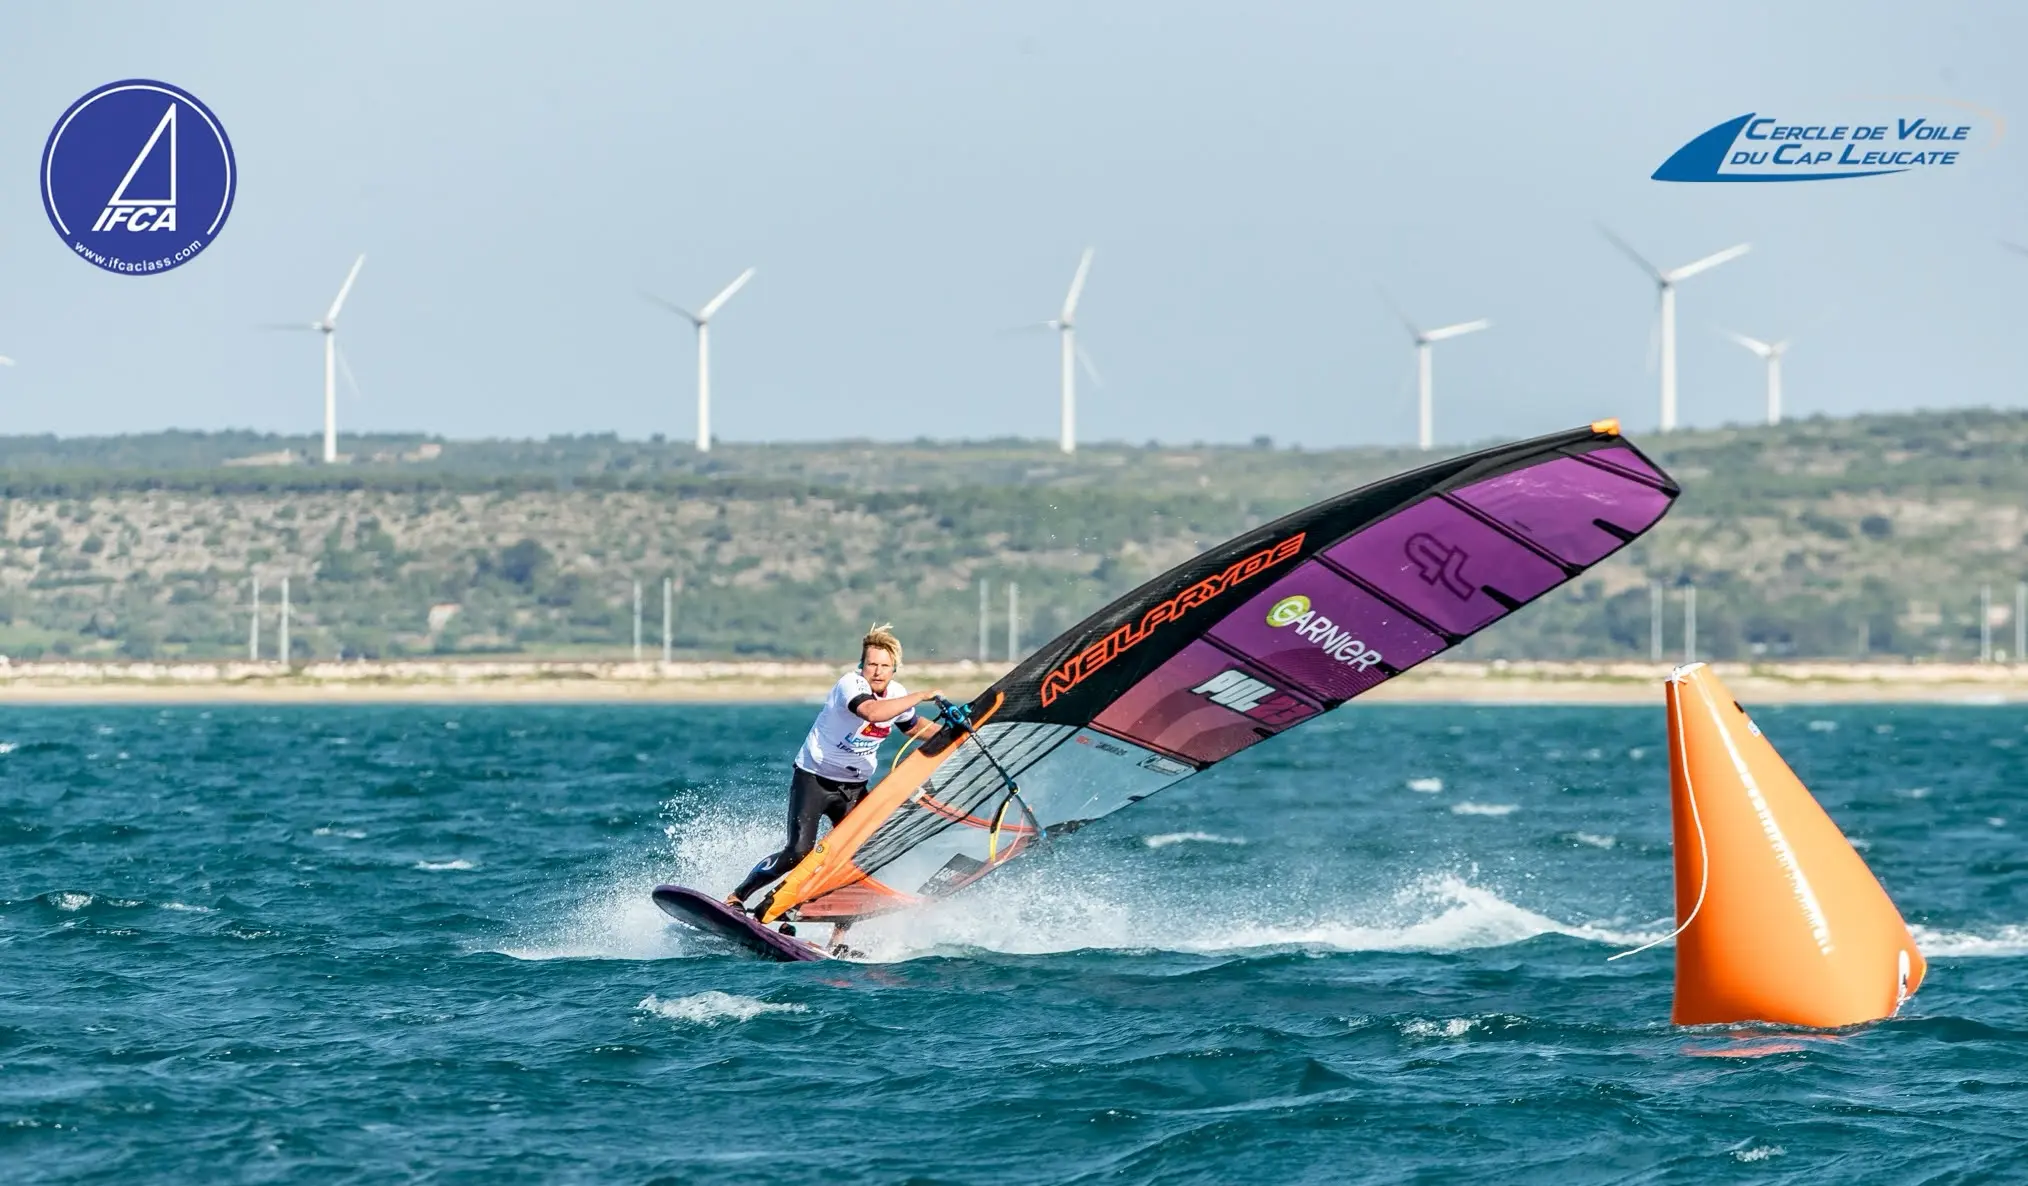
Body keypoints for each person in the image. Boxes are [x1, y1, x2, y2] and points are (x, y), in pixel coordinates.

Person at [726, 624, 943, 918]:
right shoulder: (850, 685)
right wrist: (921, 695)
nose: (877, 672)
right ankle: (737, 897)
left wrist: (956, 732)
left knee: (852, 863)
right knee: (799, 851)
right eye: (872, 665)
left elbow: (913, 727)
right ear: (861, 665)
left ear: (894, 670)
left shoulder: (896, 694)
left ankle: (832, 932)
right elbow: (873, 713)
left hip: (853, 788)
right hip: (815, 779)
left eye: (885, 666)